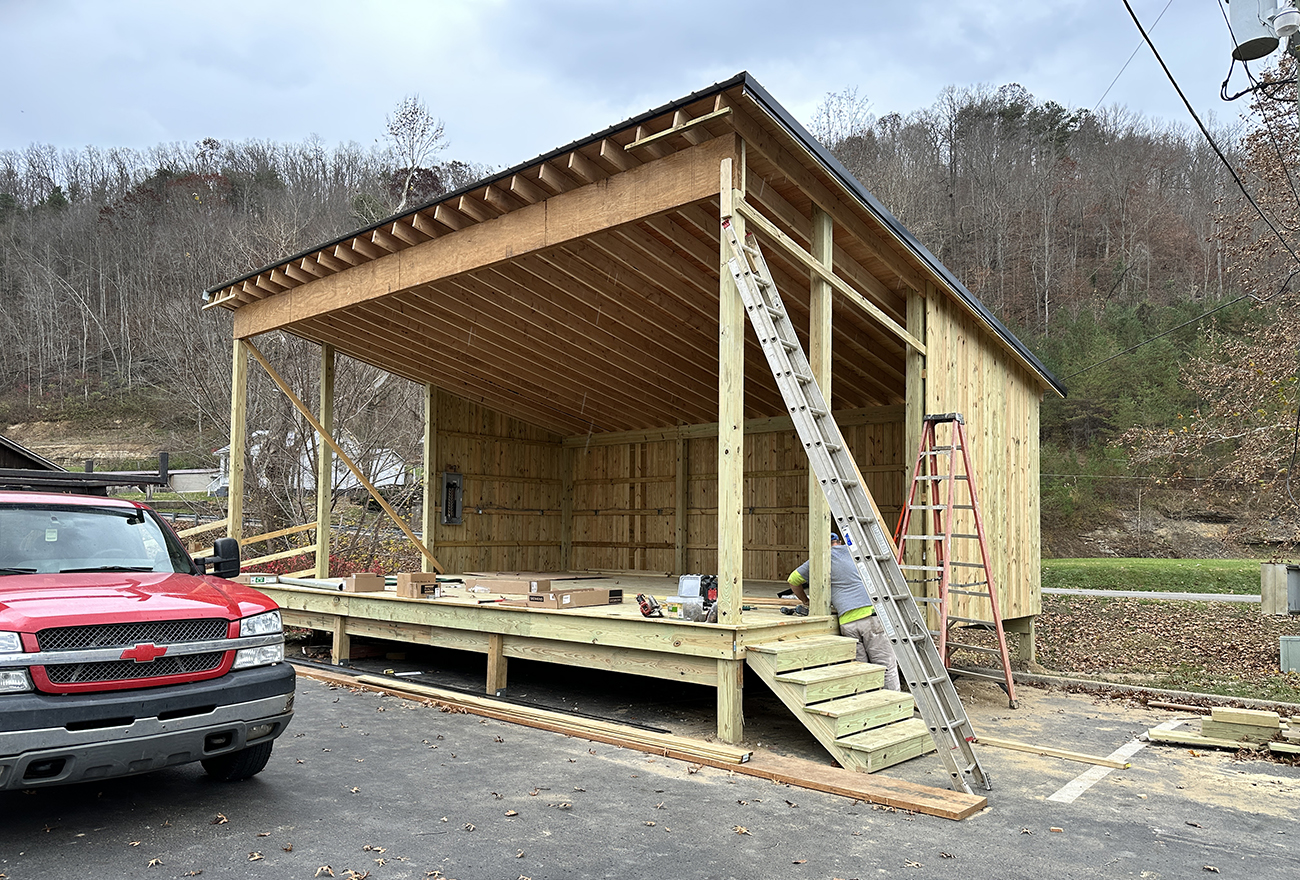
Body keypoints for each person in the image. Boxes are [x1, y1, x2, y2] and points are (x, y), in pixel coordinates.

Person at [787, 532, 900, 690]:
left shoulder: (819, 559)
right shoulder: (855, 553)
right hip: (871, 617)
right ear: (838, 542)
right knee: (886, 667)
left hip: (847, 623)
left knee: (861, 670)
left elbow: (793, 580)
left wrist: (806, 601)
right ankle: (893, 706)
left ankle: (866, 703)